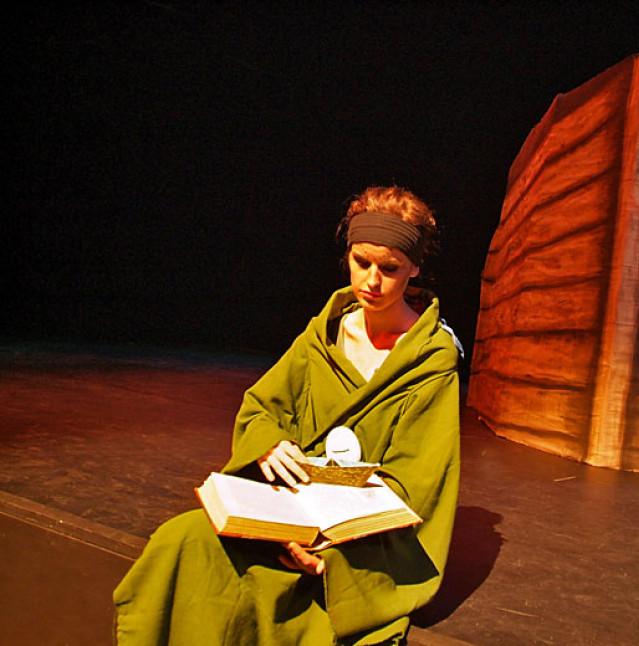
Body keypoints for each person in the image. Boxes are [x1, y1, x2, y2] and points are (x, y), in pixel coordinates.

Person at [114, 186, 461, 645]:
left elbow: (417, 482)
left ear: (414, 268)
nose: (372, 281)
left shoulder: (429, 362)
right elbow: (262, 406)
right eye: (361, 262)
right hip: (288, 505)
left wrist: (327, 542)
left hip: (356, 540)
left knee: (296, 598)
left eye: (390, 268)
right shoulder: (325, 334)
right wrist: (269, 444)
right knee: (182, 540)